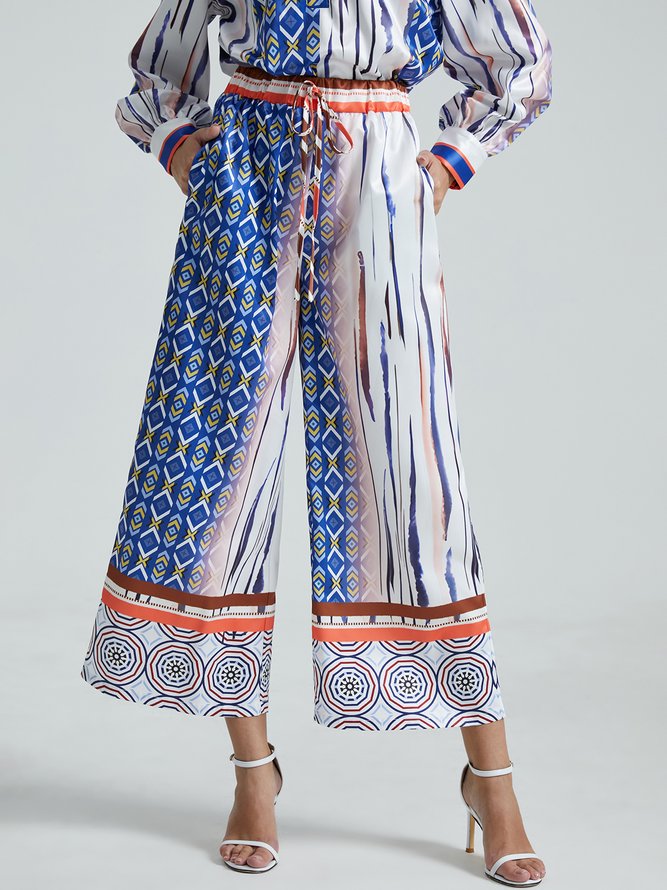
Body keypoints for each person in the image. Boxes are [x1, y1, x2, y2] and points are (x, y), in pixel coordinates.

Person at [80, 1, 552, 883]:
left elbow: (519, 64)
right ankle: (252, 773)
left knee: (415, 484)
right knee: (217, 466)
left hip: (376, 172)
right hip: (243, 174)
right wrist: (188, 152)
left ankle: (491, 781)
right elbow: (158, 66)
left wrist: (447, 163)